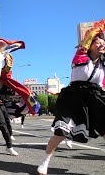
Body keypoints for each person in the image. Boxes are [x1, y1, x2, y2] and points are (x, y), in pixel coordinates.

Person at [37, 20, 105, 175]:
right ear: (90, 45)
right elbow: (86, 42)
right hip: (74, 96)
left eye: (104, 42)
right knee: (61, 131)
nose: (102, 45)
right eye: (99, 42)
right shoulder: (80, 56)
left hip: (94, 96)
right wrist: (99, 27)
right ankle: (44, 162)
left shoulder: (103, 63)